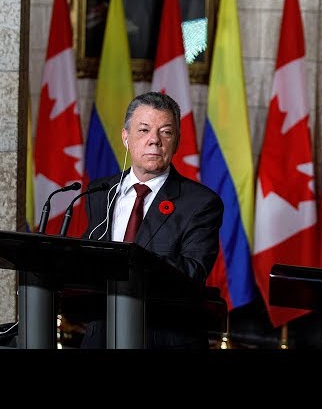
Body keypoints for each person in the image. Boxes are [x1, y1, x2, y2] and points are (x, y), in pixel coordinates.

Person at [80, 91, 224, 349]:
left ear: (176, 141)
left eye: (166, 132)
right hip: (101, 335)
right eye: (144, 130)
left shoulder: (201, 203)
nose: (154, 141)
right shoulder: (100, 192)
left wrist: (130, 263)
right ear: (126, 137)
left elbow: (192, 273)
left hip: (163, 338)